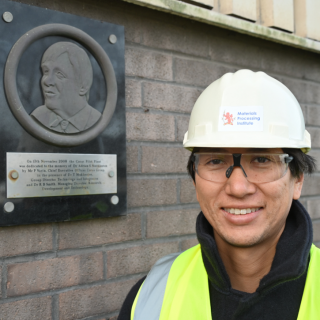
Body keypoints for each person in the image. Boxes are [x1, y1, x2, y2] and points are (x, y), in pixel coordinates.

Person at [119, 70, 320, 320]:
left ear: (297, 179)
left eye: (261, 159)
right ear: (195, 178)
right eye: (215, 160)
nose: (237, 187)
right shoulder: (150, 296)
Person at [31, 41, 101, 133]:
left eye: (59, 74)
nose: (47, 81)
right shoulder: (38, 117)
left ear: (83, 86)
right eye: (46, 71)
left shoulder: (97, 121)